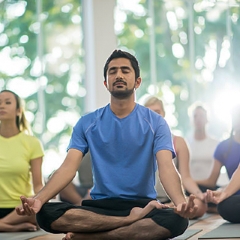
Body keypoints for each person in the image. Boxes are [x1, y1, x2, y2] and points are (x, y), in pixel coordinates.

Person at [16, 50, 198, 240]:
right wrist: (38, 200)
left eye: (125, 70)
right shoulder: (87, 123)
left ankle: (91, 237)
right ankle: (128, 223)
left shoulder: (156, 123)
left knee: (177, 220)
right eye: (112, 71)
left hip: (143, 205)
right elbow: (68, 168)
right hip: (101, 207)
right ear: (106, 83)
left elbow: (167, 167)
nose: (118, 75)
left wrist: (180, 204)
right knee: (45, 214)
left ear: (137, 82)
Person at [144, 96, 207, 219]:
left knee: (199, 205)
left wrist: (200, 195)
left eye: (157, 112)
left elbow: (186, 177)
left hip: (171, 198)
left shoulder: (178, 142)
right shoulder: (137, 143)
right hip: (146, 199)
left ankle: (168, 208)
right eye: (149, 113)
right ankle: (162, 209)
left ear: (164, 114)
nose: (154, 117)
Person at [0, 90, 44, 232]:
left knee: (41, 213)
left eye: (7, 102)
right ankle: (9, 228)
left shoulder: (32, 143)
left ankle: (3, 225)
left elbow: (38, 185)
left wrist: (43, 199)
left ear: (19, 111)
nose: (2, 106)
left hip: (20, 211)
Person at [197, 104, 240, 218]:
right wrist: (224, 193)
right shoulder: (224, 146)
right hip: (235, 194)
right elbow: (212, 181)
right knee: (225, 206)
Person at [186, 103, 219, 212]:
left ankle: (208, 205)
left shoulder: (215, 144)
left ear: (207, 119)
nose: (198, 119)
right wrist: (190, 183)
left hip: (209, 187)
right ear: (191, 120)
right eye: (195, 116)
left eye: (202, 116)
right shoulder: (186, 143)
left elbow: (213, 180)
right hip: (190, 188)